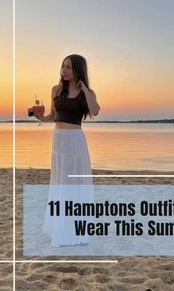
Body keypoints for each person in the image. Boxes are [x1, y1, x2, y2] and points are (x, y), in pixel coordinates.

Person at [33, 54, 100, 247]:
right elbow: (52, 117)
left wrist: (85, 89)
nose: (64, 70)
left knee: (75, 184)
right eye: (63, 66)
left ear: (78, 70)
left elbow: (95, 111)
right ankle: (60, 228)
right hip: (59, 142)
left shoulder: (87, 92)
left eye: (69, 67)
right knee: (60, 183)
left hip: (76, 142)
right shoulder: (56, 90)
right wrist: (39, 117)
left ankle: (75, 230)